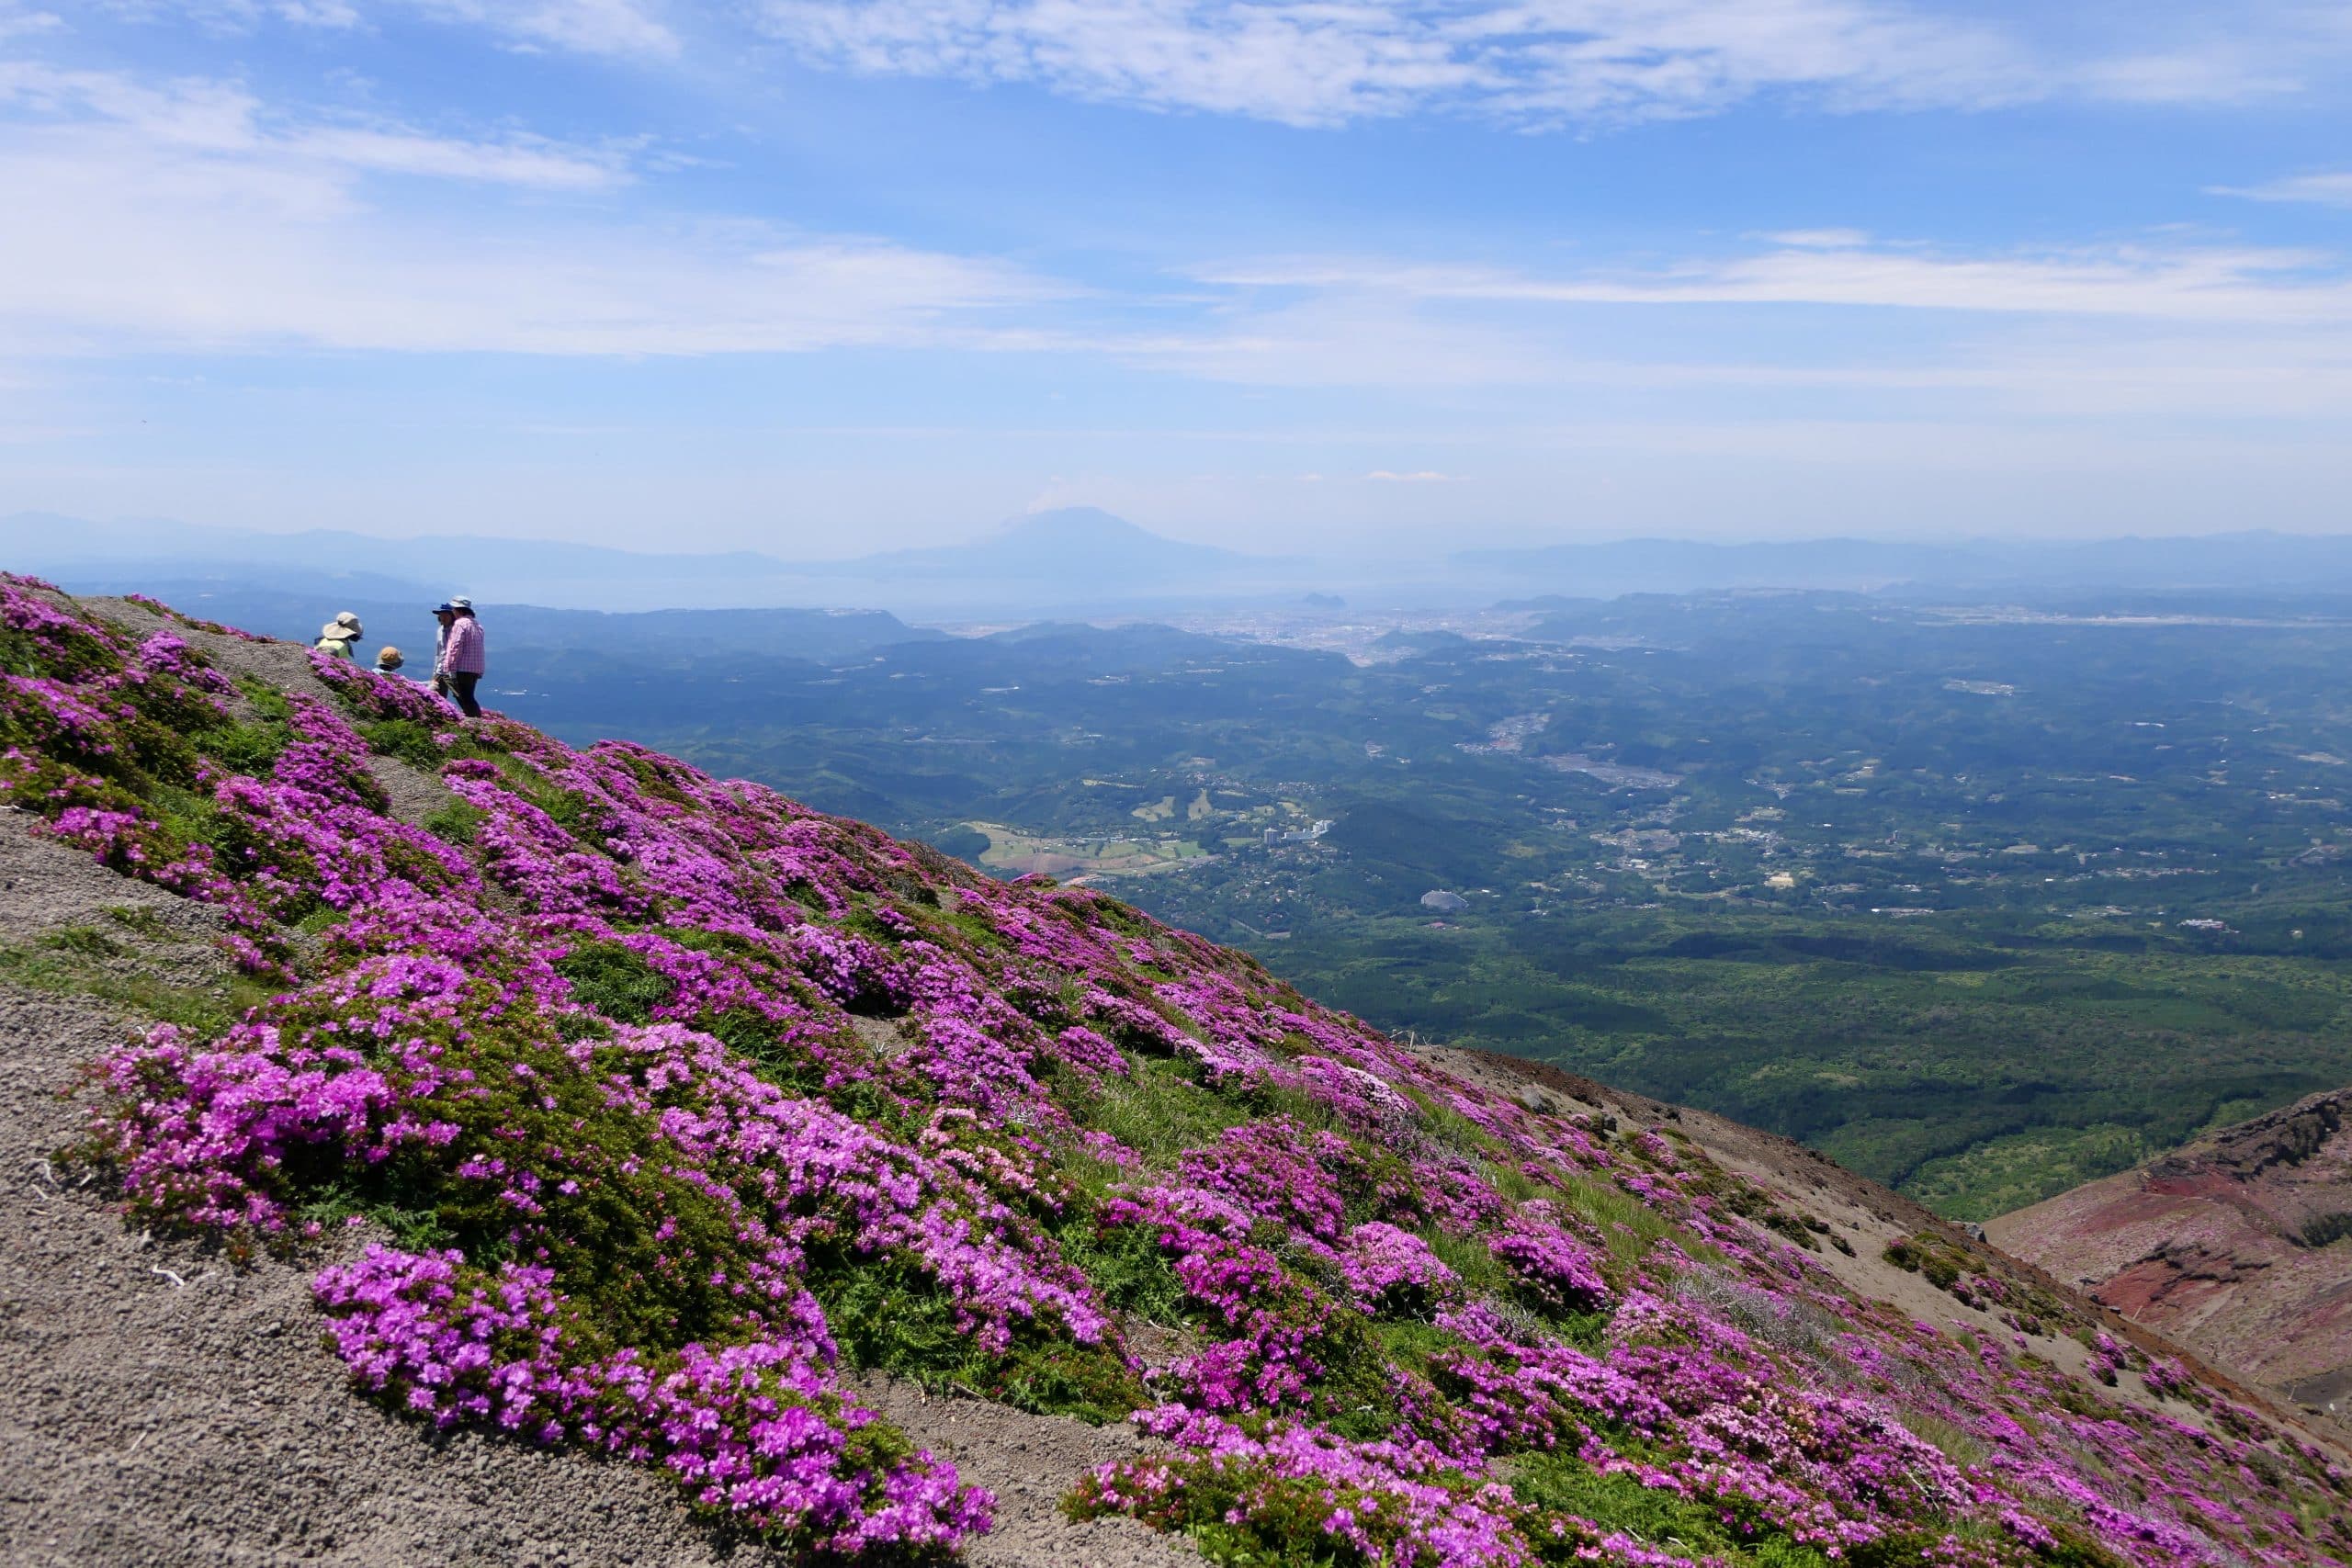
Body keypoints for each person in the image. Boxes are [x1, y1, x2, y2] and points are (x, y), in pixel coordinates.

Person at [435, 596, 486, 717]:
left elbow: (455, 647)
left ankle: (475, 722)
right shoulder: (477, 625)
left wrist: (450, 668)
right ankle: (475, 721)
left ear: (458, 610)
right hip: (475, 668)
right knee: (468, 697)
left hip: (462, 668)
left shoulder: (459, 624)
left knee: (464, 698)